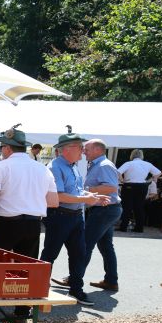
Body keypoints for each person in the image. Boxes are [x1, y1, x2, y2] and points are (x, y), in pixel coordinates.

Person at [0, 125, 59, 319]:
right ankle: (22, 311)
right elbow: (53, 202)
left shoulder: (1, 167)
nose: (1, 151)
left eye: (2, 147)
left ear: (7, 148)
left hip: (6, 223)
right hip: (32, 224)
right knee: (26, 268)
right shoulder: (42, 169)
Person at [39, 128, 103, 306]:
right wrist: (86, 199)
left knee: (79, 254)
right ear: (67, 149)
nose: (83, 150)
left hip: (75, 216)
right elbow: (59, 196)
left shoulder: (72, 166)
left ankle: (76, 289)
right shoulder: (55, 167)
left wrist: (93, 197)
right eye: (80, 147)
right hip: (59, 216)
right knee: (50, 253)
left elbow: (76, 190)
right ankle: (39, 288)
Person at [82, 139, 124, 292]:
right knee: (106, 246)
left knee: (85, 244)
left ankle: (74, 278)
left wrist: (86, 190)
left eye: (87, 149)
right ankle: (111, 281)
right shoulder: (99, 164)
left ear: (98, 150)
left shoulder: (104, 165)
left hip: (104, 210)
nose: (83, 152)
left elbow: (111, 187)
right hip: (107, 209)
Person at [117, 149, 160, 232]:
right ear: (142, 156)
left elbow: (118, 172)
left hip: (129, 186)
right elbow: (158, 173)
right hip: (142, 186)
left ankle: (124, 227)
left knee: (127, 207)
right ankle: (139, 228)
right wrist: (149, 180)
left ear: (132, 155)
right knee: (139, 207)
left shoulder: (128, 163)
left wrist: (122, 180)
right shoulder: (148, 164)